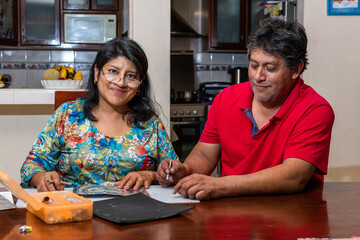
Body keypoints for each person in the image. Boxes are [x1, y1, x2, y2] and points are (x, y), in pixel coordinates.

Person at [157, 19, 335, 200]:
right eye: (254, 65)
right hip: (231, 213)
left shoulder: (315, 110)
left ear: (296, 70)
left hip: (290, 215)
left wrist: (220, 185)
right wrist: (185, 170)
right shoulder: (225, 99)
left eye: (270, 68)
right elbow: (204, 153)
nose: (258, 77)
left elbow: (295, 176)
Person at [21, 38, 178, 192]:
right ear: (96, 73)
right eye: (113, 72)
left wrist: (150, 176)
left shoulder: (150, 123)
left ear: (139, 85)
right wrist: (42, 178)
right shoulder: (69, 115)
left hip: (134, 212)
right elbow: (32, 165)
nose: (121, 82)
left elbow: (174, 173)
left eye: (131, 76)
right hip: (74, 210)